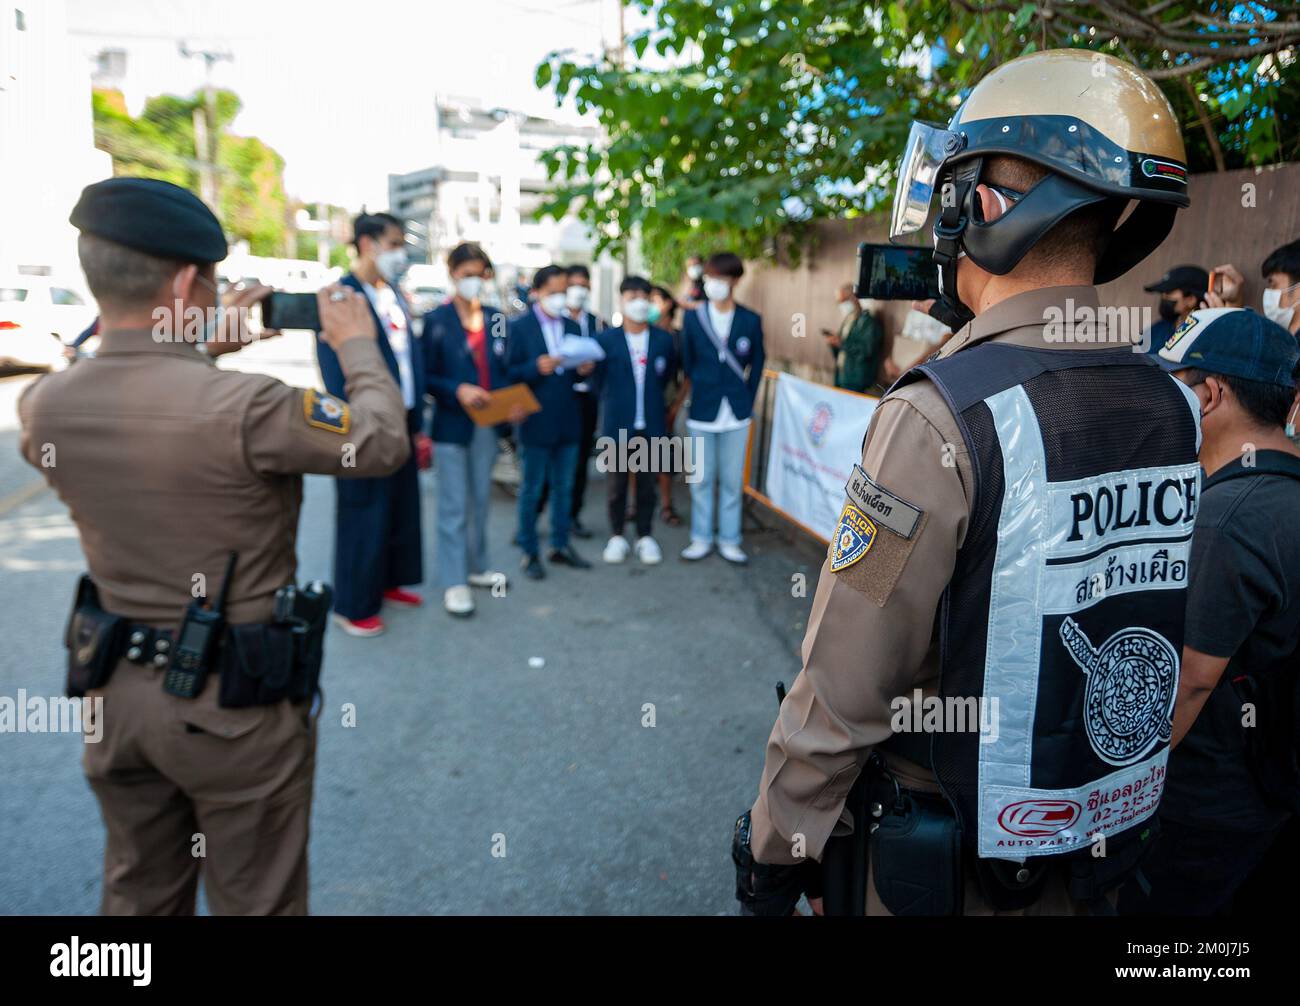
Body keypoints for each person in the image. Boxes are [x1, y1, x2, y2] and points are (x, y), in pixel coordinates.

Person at [733, 49, 1200, 917]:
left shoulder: (935, 418)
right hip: (1104, 844)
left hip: (948, 866)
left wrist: (776, 846)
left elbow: (845, 680)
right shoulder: (1173, 399)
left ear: (975, 208)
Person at [18, 178, 409, 914]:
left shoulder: (44, 406)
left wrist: (197, 353)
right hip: (233, 709)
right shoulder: (254, 406)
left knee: (137, 895)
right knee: (255, 897)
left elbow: (142, 402)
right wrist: (357, 345)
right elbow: (380, 442)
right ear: (187, 280)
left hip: (114, 699)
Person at [1117, 308, 1300, 916]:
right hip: (1269, 790)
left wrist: (1114, 791)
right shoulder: (1280, 492)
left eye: (1175, 385)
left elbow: (1189, 683)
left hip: (1207, 804)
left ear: (1212, 394)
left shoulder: (1229, 519)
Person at [315, 211, 425, 637]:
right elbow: (335, 367)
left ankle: (390, 580)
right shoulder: (341, 296)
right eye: (394, 243)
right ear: (367, 244)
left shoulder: (392, 293)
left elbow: (406, 358)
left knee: (398, 504)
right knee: (363, 508)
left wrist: (418, 421)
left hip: (403, 416)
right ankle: (353, 602)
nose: (401, 253)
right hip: (362, 420)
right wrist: (354, 417)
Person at [423, 242, 512, 617]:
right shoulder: (436, 321)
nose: (474, 281)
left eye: (480, 274)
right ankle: (454, 581)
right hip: (451, 423)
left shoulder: (496, 318)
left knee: (480, 500)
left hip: (488, 424)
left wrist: (514, 403)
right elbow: (425, 376)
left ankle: (477, 567)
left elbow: (507, 367)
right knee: (453, 506)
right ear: (452, 275)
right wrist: (455, 389)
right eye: (466, 274)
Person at [507, 264, 595, 579]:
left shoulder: (572, 327)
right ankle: (529, 551)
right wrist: (534, 367)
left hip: (569, 418)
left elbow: (577, 364)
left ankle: (560, 545)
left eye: (563, 292)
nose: (560, 298)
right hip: (534, 418)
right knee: (531, 489)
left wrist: (582, 368)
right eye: (553, 292)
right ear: (537, 293)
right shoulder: (518, 327)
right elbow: (508, 371)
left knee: (564, 488)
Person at [679, 251, 765, 565]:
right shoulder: (692, 317)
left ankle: (730, 539)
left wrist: (747, 397)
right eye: (711, 278)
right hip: (702, 409)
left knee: (731, 481)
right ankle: (701, 537)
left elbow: (757, 364)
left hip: (737, 413)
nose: (715, 284)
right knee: (701, 479)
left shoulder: (750, 319)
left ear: (735, 281)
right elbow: (687, 362)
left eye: (722, 279)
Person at [593, 276, 677, 565]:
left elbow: (667, 377)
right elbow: (597, 381)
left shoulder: (664, 340)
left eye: (644, 296)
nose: (638, 302)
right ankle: (616, 535)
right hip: (617, 423)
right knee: (616, 485)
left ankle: (644, 535)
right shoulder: (605, 340)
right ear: (622, 301)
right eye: (631, 296)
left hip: (651, 424)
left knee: (646, 484)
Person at [563, 264, 604, 539]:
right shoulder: (554, 320)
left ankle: (572, 516)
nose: (579, 290)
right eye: (574, 284)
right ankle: (535, 514)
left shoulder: (597, 322)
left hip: (587, 398)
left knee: (579, 462)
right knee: (550, 460)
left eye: (584, 285)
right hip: (560, 398)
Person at [650, 283, 687, 527]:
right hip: (640, 404)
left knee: (663, 457)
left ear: (667, 304)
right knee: (632, 455)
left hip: (665, 404)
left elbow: (688, 375)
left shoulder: (677, 338)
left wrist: (675, 407)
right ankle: (634, 505)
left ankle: (666, 505)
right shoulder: (639, 333)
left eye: (655, 300)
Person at [821, 283, 888, 393]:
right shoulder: (848, 319)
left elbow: (867, 350)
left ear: (854, 298)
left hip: (857, 381)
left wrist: (841, 343)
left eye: (844, 301)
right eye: (839, 302)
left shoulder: (869, 322)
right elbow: (842, 349)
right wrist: (834, 343)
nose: (841, 305)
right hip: (842, 376)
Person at [1142, 264, 1207, 349]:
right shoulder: (1155, 331)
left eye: (1168, 293)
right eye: (1162, 293)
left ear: (1190, 299)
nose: (1163, 297)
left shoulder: (1207, 336)